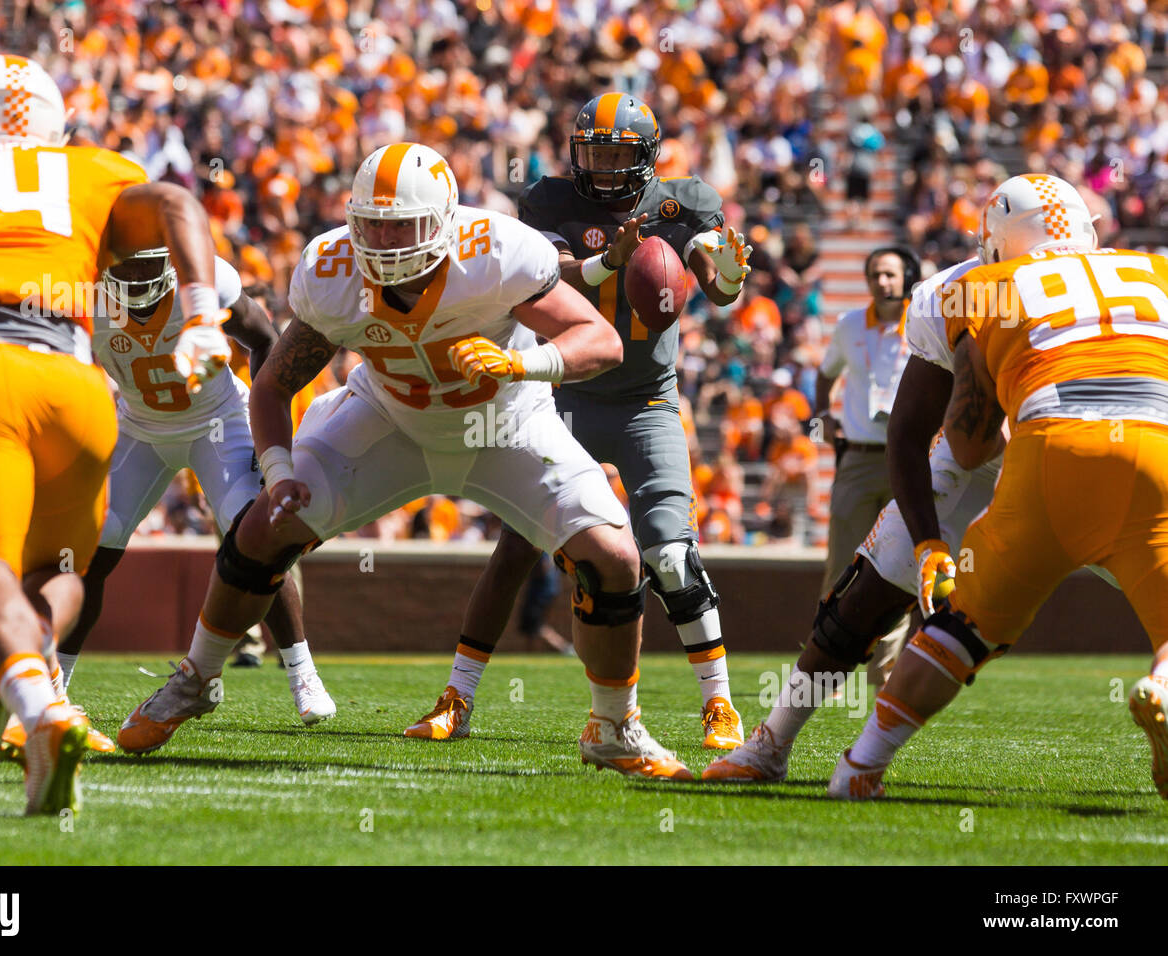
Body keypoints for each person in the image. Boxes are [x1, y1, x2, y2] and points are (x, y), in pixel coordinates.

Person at [117, 142, 694, 780]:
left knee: (614, 559)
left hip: (504, 421)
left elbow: (602, 341)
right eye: (373, 222)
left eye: (404, 225)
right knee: (261, 525)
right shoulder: (332, 268)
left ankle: (614, 726)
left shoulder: (497, 252)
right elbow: (276, 382)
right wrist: (278, 474)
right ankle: (196, 678)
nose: (387, 240)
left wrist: (521, 362)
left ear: (446, 220)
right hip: (389, 419)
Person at [0, 53, 230, 814]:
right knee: (61, 565)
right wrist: (200, 315)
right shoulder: (90, 172)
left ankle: (41, 709)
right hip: (80, 385)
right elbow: (173, 200)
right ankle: (26, 674)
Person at [404, 93, 753, 749]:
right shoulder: (551, 200)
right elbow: (550, 272)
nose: (602, 166)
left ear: (648, 157)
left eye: (617, 154)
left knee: (671, 553)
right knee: (516, 546)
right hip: (562, 393)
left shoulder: (686, 201)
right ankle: (458, 696)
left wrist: (728, 280)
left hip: (646, 400)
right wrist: (611, 262)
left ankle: (720, 705)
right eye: (593, 150)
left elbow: (714, 276)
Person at [828, 173, 1168, 800]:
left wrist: (935, 538)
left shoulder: (981, 286)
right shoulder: (1153, 271)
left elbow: (969, 441)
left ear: (997, 241)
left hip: (1056, 448)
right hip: (1159, 450)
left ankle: (861, 766)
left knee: (963, 626)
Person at [49, 247, 334, 725]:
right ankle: (53, 685)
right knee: (93, 544)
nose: (137, 273)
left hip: (216, 422)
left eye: (147, 260)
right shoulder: (79, 291)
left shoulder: (205, 278)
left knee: (254, 536)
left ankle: (302, 672)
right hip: (139, 427)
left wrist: (272, 441)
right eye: (127, 261)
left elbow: (266, 339)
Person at [813, 245, 918, 686]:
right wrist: (822, 420)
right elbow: (823, 376)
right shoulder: (849, 324)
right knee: (841, 564)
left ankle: (885, 672)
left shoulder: (926, 323)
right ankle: (825, 669)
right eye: (876, 273)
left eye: (891, 274)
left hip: (911, 458)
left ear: (908, 277)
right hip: (857, 457)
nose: (883, 281)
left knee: (899, 566)